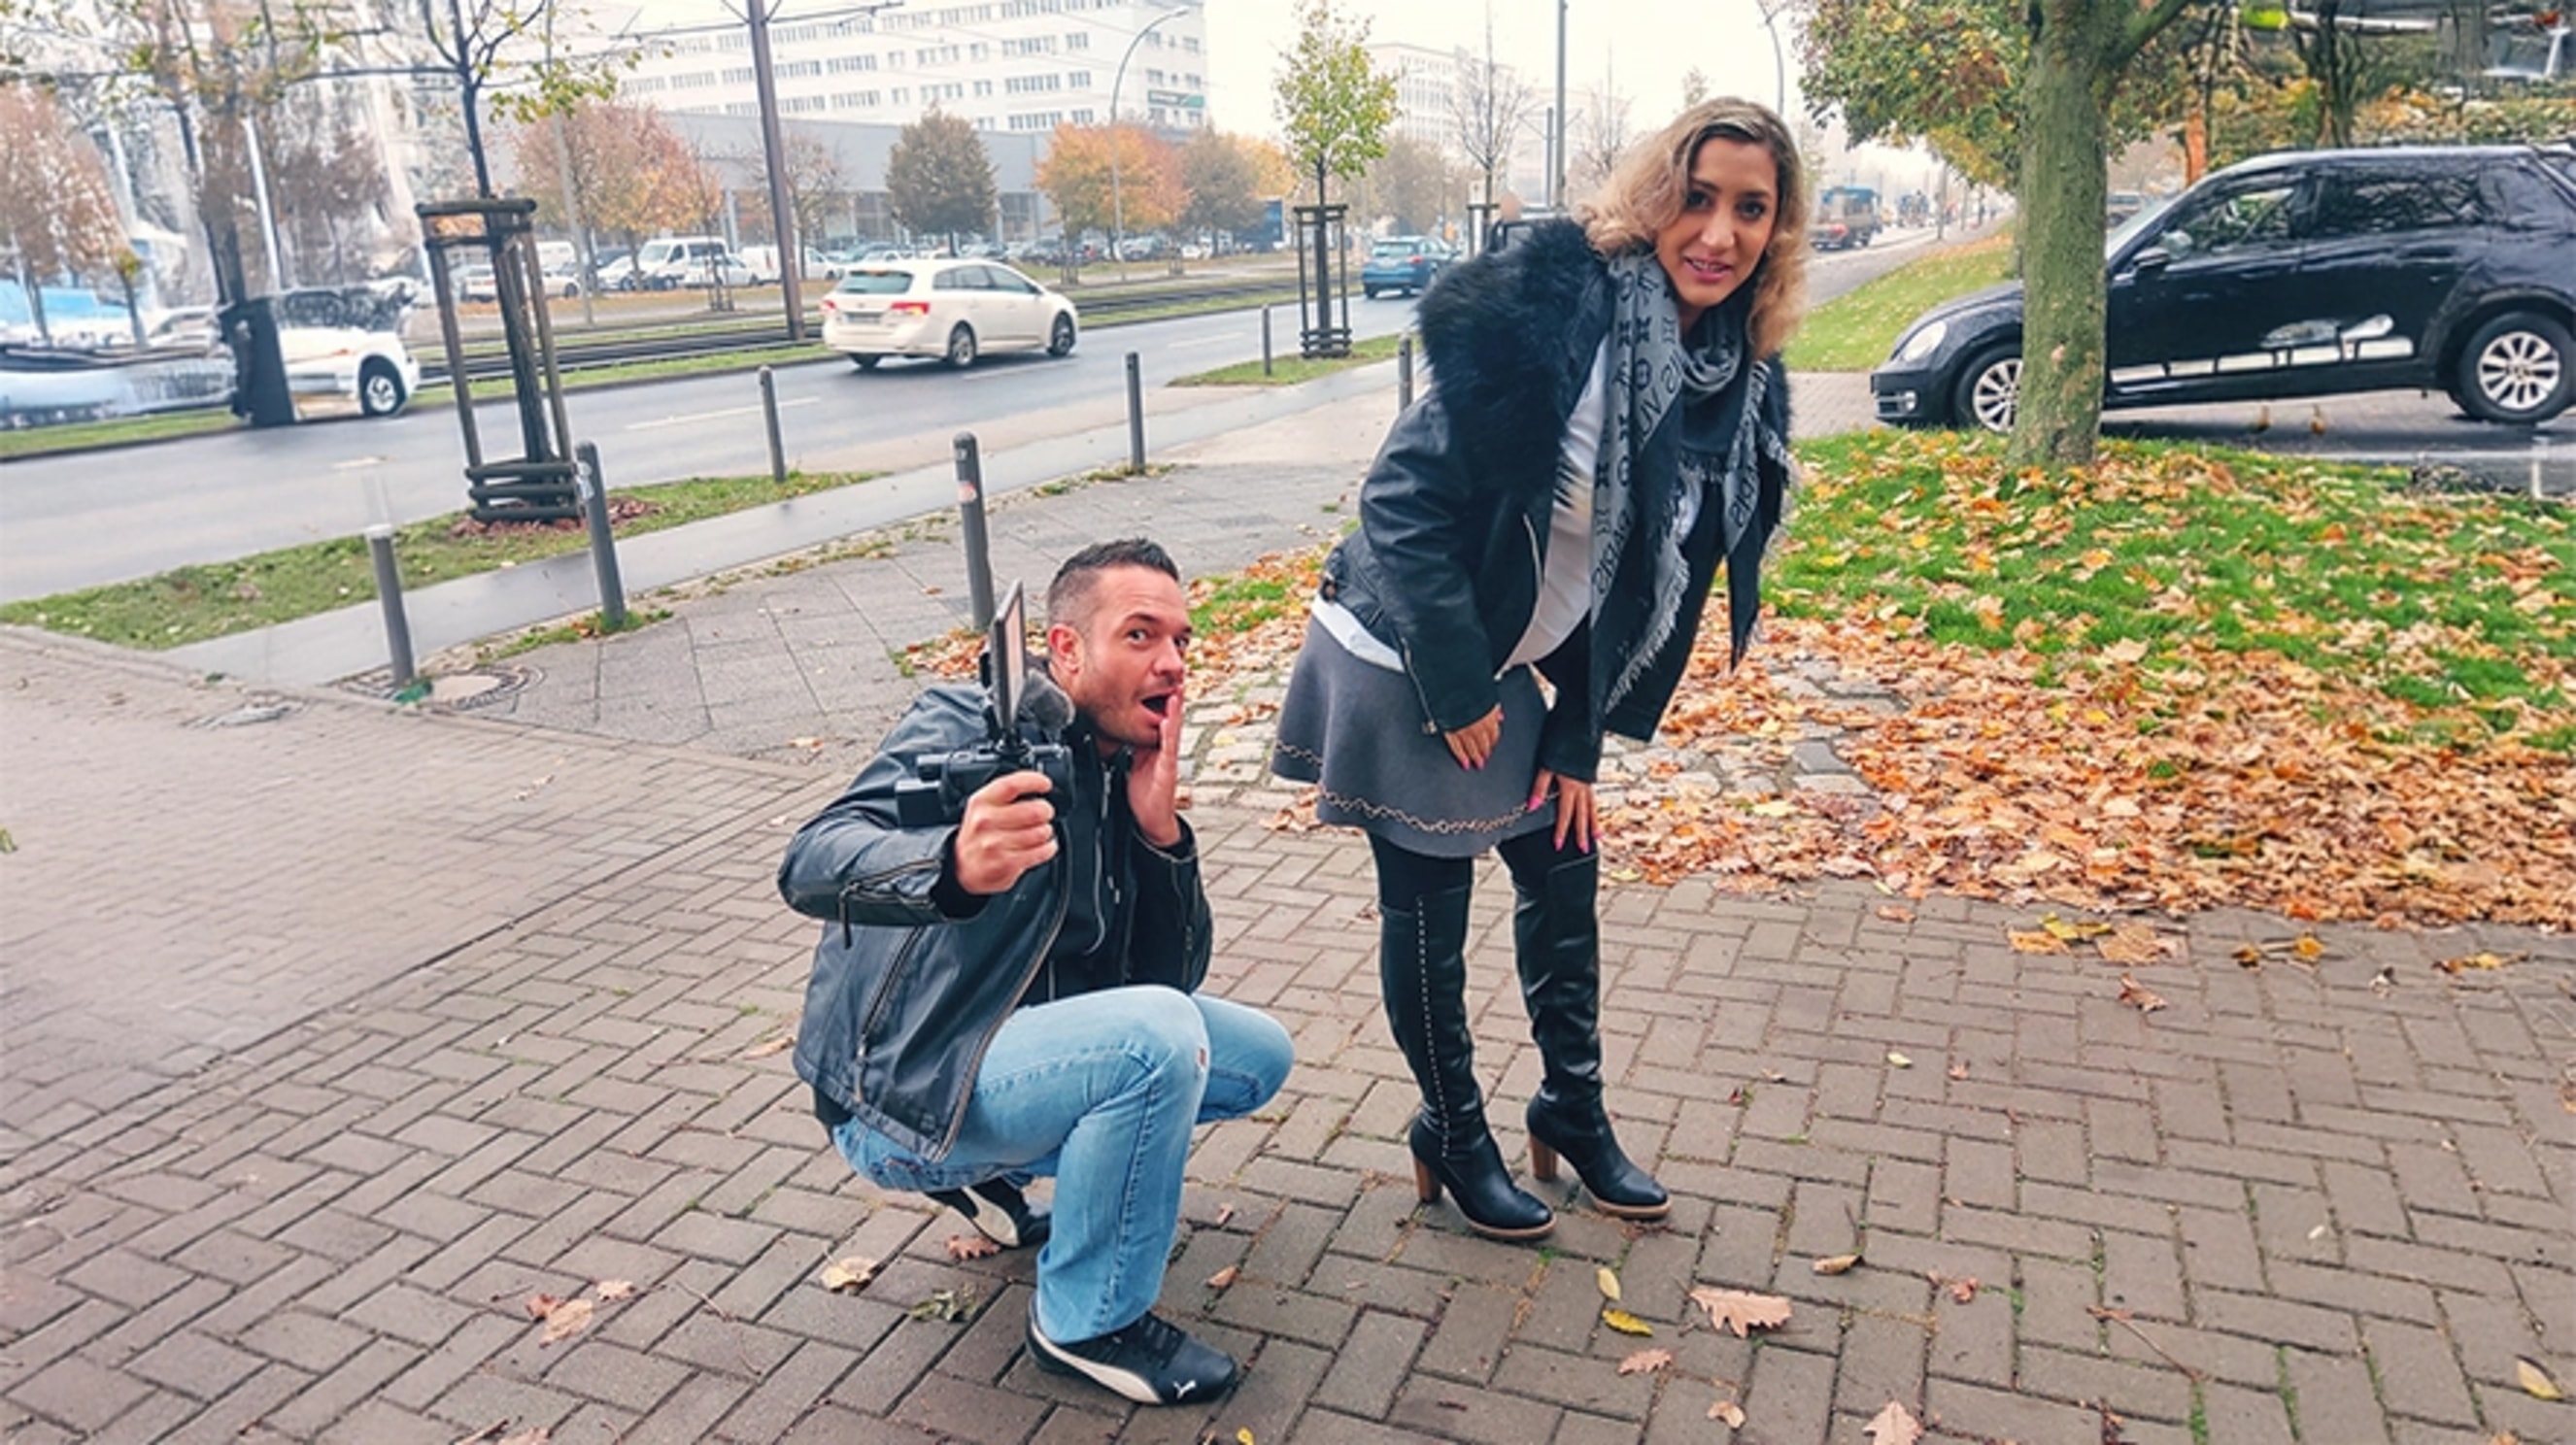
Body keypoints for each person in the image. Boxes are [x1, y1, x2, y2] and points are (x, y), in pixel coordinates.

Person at [1271, 98, 1808, 1240]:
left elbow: (1655, 585)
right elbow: (1401, 501)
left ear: (1778, 228)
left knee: (1563, 864)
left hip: (1515, 650)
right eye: (1696, 198)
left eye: (1750, 208)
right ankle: (1452, 1131)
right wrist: (1461, 685)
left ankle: (1571, 1108)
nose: (1718, 233)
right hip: (1410, 639)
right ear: (1654, 200)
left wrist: (1577, 738)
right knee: (1434, 900)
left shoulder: (1736, 379)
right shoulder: (1554, 316)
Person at [780, 538, 1292, 1405]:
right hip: (901, 1094)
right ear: (1065, 650)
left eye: (1181, 640)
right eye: (1140, 635)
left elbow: (1170, 980)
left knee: (1255, 1055)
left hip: (1002, 1054)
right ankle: (1085, 1321)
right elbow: (811, 859)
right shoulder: (969, 724)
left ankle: (996, 1177)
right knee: (1152, 1047)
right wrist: (950, 865)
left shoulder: (1115, 764)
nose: (1172, 663)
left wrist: (1159, 836)